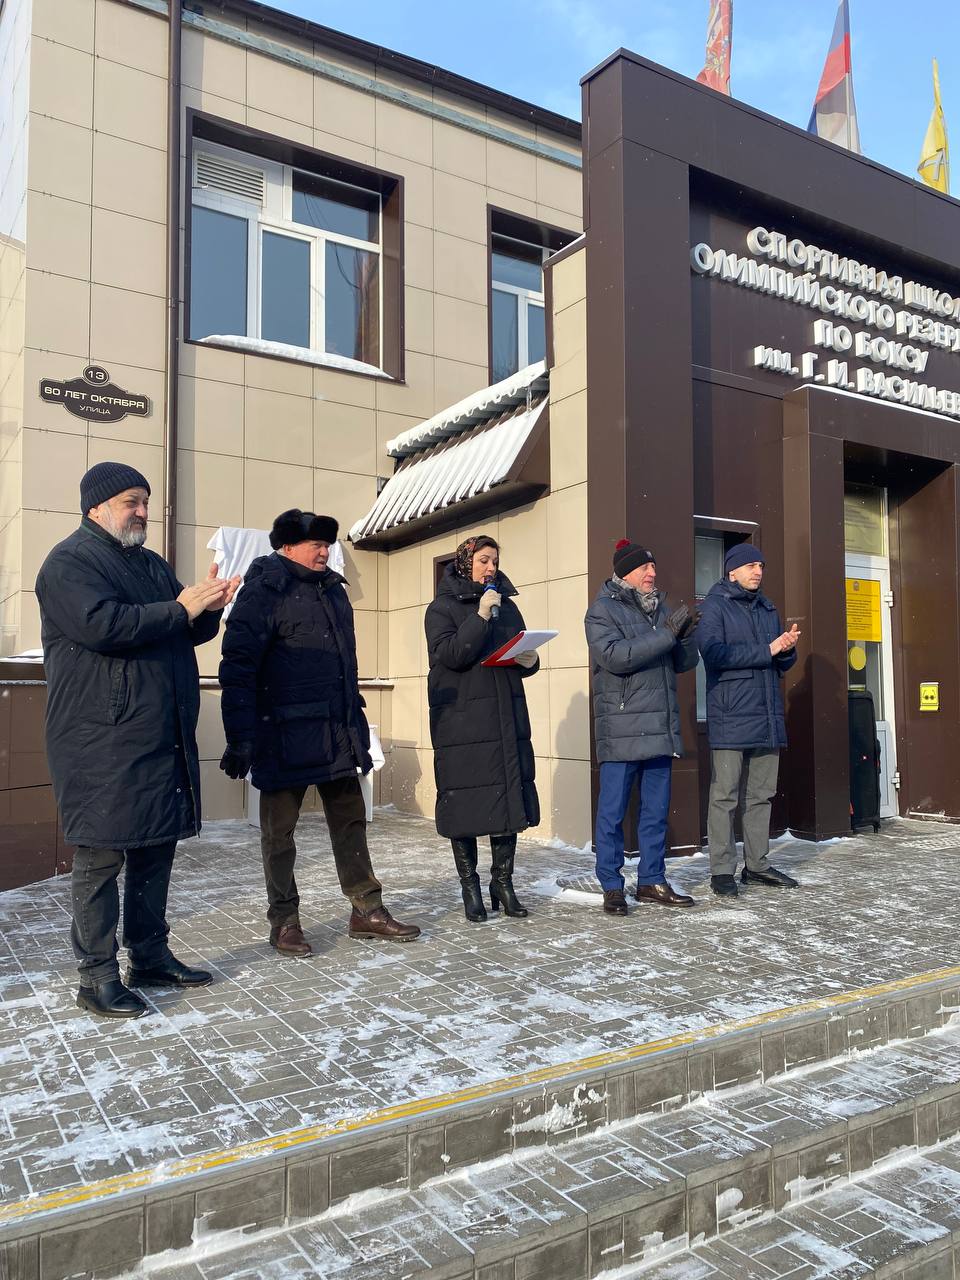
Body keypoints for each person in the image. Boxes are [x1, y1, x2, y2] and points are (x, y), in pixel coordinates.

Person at [35, 462, 239, 1019]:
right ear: (96, 506)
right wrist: (181, 607)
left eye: (146, 501)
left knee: (155, 847)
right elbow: (104, 625)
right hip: (100, 740)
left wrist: (208, 608)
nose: (143, 512)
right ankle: (96, 977)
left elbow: (182, 626)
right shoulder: (69, 562)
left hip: (156, 733)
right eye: (131, 501)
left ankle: (149, 956)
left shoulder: (150, 564)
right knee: (101, 857)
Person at [219, 509, 420, 953]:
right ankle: (284, 921)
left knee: (351, 823)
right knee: (279, 835)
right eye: (316, 545)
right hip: (281, 735)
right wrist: (240, 737)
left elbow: (346, 666)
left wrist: (354, 723)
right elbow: (238, 667)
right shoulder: (263, 591)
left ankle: (367, 910)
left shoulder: (333, 591)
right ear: (288, 547)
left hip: (337, 731)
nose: (325, 552)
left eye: (328, 545)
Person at [425, 535, 540, 923]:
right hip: (463, 723)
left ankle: (502, 883)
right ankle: (470, 887)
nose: (491, 568)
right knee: (466, 804)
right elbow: (451, 655)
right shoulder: (441, 608)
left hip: (505, 716)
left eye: (494, 561)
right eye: (483, 560)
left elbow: (517, 648)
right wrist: (479, 617)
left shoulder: (506, 605)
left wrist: (529, 660)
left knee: (507, 799)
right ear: (465, 562)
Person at [584, 540, 700, 915]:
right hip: (621, 728)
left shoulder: (661, 609)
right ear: (625, 572)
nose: (653, 573)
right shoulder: (601, 611)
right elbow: (617, 657)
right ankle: (612, 886)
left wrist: (686, 637)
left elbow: (682, 663)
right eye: (645, 568)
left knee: (655, 813)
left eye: (653, 567)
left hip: (660, 727)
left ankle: (651, 880)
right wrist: (668, 633)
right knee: (612, 814)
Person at [697, 542, 801, 897]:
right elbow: (714, 654)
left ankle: (757, 866)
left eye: (761, 566)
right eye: (751, 565)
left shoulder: (767, 608)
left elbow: (777, 661)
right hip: (731, 716)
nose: (758, 571)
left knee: (761, 796)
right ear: (732, 570)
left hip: (767, 715)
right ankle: (721, 870)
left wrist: (786, 650)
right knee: (724, 797)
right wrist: (768, 649)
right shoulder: (714, 606)